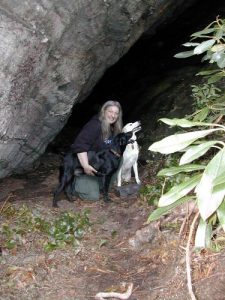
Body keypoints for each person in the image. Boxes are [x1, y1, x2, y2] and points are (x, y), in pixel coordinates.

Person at [70, 100, 123, 201]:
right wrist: (85, 166)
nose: (113, 115)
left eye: (116, 113)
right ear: (103, 111)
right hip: (85, 167)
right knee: (93, 197)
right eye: (110, 112)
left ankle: (102, 185)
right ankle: (76, 181)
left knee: (120, 158)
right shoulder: (94, 125)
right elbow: (80, 145)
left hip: (98, 166)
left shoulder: (113, 128)